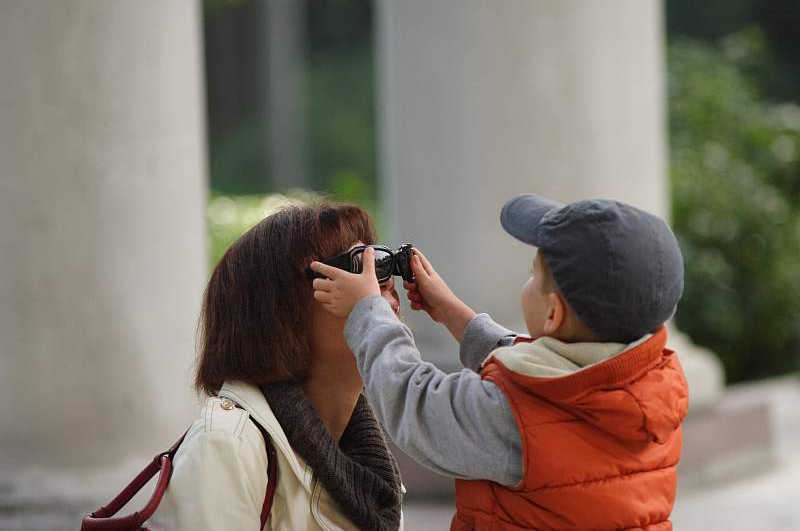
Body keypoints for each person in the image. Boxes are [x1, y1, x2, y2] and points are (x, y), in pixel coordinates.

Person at [310, 194, 690, 530]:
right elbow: (541, 374)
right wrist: (454, 314)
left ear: (553, 314)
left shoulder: (512, 422)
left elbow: (415, 403)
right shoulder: (648, 386)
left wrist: (368, 312)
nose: (526, 282)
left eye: (532, 275)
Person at [148, 203, 405, 531]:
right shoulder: (227, 446)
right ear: (285, 309)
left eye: (383, 265)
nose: (383, 287)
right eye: (361, 268)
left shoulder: (368, 467)